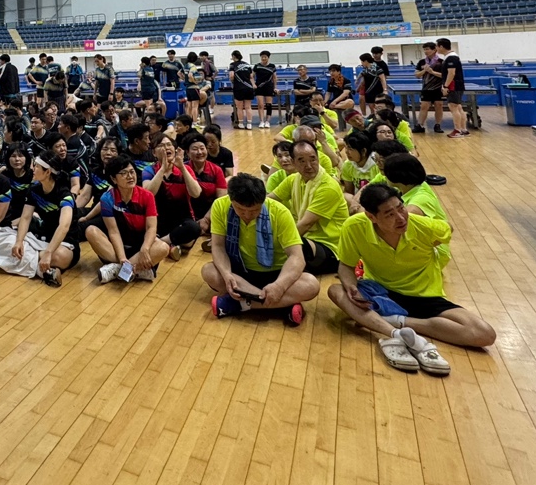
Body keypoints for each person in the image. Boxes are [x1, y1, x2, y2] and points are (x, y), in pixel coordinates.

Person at [328, 183, 495, 375]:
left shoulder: (422, 226)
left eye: (401, 208)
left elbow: (447, 228)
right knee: (335, 290)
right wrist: (351, 286)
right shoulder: (354, 227)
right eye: (390, 214)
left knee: (484, 334)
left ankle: (395, 322)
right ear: (371, 217)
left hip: (425, 297)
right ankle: (394, 331)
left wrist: (431, 242)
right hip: (382, 293)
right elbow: (346, 266)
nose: (401, 218)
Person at [202, 174, 319, 324]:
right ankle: (281, 305)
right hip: (240, 272)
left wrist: (279, 286)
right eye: (240, 209)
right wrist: (226, 274)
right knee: (209, 271)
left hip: (275, 274)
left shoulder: (280, 212)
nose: (247, 215)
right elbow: (218, 246)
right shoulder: (219, 205)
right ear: (231, 200)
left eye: (254, 210)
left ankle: (240, 303)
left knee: (311, 285)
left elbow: (297, 257)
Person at [268, 139, 348, 275]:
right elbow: (268, 202)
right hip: (307, 239)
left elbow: (305, 225)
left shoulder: (328, 187)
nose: (309, 166)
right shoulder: (293, 180)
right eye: (302, 161)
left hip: (332, 250)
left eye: (313, 159)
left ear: (318, 159)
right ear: (293, 162)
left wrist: (271, 243)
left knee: (294, 244)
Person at [85, 156, 168, 284]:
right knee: (90, 231)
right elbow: (113, 232)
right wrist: (122, 258)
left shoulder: (147, 196)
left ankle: (116, 270)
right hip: (118, 248)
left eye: (132, 172)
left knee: (163, 247)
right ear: (114, 179)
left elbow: (151, 227)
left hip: (140, 248)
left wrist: (145, 248)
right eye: (123, 173)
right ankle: (136, 270)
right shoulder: (107, 198)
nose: (130, 176)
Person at [12, 156, 80, 286]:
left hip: (64, 243)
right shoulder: (34, 190)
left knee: (59, 257)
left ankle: (8, 262)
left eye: (36, 166)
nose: (33, 169)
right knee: (13, 243)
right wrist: (19, 241)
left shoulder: (65, 195)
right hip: (42, 238)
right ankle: (45, 271)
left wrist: (48, 253)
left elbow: (64, 226)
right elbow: (25, 217)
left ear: (47, 172)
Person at [437, 37, 469, 138]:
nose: (436, 48)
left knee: (453, 107)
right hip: (456, 85)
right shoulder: (450, 57)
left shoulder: (451, 58)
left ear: (441, 46)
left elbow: (451, 73)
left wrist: (445, 86)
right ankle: (463, 129)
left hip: (453, 86)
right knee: (458, 107)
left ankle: (457, 130)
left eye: (437, 46)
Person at [413, 41, 445, 134]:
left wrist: (432, 72)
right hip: (426, 88)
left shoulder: (441, 62)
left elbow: (444, 76)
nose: (425, 51)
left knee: (439, 106)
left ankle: (438, 125)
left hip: (438, 88)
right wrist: (424, 71)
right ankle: (420, 125)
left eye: (427, 49)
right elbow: (417, 75)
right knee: (424, 106)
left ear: (434, 50)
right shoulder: (422, 62)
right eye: (424, 49)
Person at [228, 51, 256, 129]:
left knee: (239, 107)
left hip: (239, 87)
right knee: (248, 107)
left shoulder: (232, 65)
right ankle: (249, 124)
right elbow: (251, 76)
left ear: (234, 56)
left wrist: (233, 81)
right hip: (248, 87)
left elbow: (231, 76)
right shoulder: (247, 64)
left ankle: (241, 124)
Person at [253, 50, 278, 128]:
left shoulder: (272, 66)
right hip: (259, 87)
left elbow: (274, 77)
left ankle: (267, 121)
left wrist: (275, 87)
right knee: (260, 105)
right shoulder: (257, 66)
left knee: (269, 105)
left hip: (269, 87)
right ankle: (261, 121)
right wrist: (253, 84)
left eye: (265, 57)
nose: (263, 58)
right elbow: (251, 76)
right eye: (262, 57)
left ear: (268, 57)